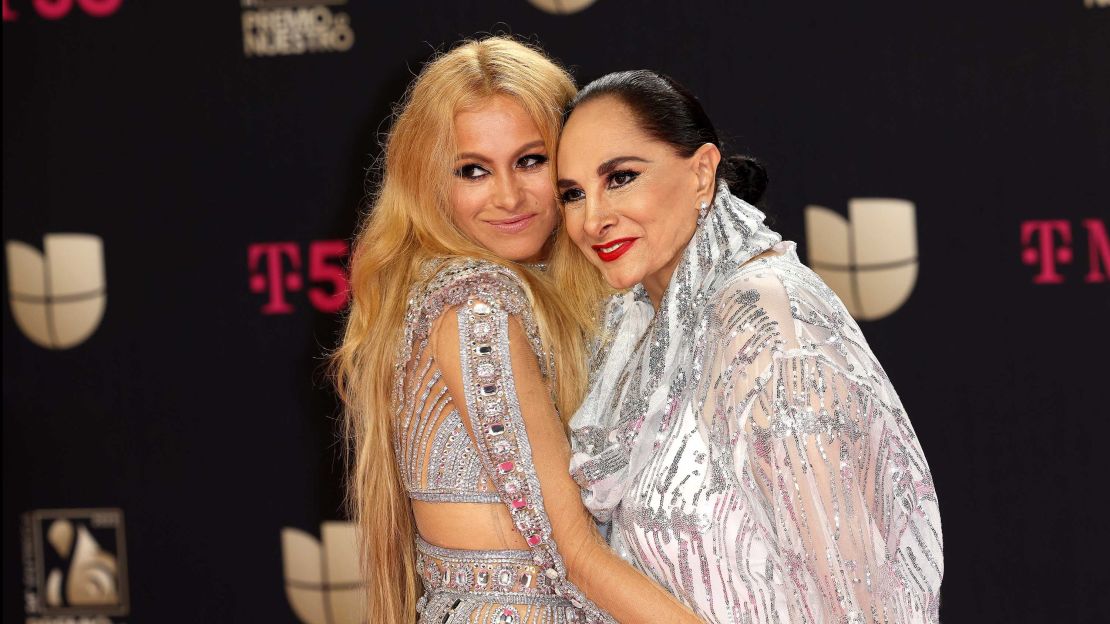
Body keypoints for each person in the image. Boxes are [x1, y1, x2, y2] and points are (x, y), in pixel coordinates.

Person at [333, 41, 701, 624]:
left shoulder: (475, 290)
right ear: (429, 181)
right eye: (472, 170)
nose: (507, 196)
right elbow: (574, 552)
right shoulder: (478, 304)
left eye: (531, 161)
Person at [558, 70, 943, 624]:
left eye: (620, 178)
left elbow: (854, 600)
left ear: (702, 172)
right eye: (573, 194)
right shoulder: (637, 324)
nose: (593, 218)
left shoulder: (769, 327)